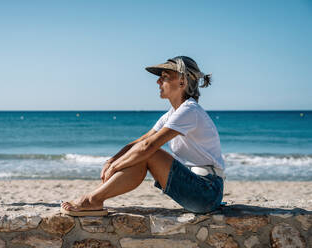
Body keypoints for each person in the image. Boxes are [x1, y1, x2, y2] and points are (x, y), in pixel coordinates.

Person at [61, 56, 225, 216]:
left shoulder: (190, 110)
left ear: (182, 81)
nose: (158, 82)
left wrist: (116, 166)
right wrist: (112, 160)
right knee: (140, 153)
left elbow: (148, 147)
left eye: (165, 78)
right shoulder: (173, 114)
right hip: (195, 188)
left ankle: (91, 200)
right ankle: (94, 199)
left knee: (148, 154)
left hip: (207, 191)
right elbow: (141, 142)